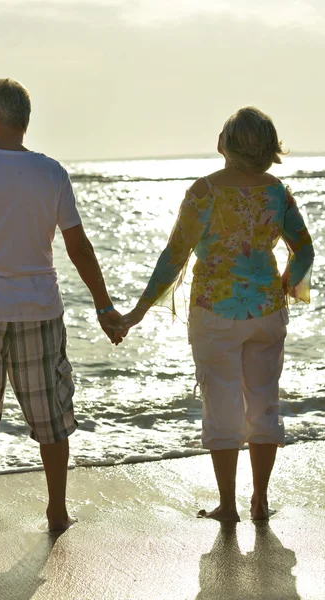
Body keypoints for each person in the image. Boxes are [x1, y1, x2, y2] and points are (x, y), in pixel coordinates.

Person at [0, 78, 126, 535]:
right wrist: (103, 308)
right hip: (40, 311)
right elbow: (79, 247)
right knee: (50, 415)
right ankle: (57, 512)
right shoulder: (51, 173)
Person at [120, 106, 314, 522]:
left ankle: (228, 505)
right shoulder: (277, 192)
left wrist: (137, 310)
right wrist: (285, 283)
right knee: (264, 405)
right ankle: (260, 502)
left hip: (214, 313)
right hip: (266, 311)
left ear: (226, 144)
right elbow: (306, 250)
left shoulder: (204, 192)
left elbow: (174, 257)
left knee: (222, 407)